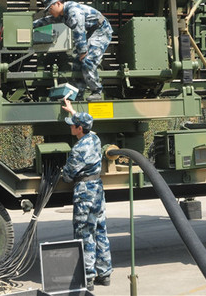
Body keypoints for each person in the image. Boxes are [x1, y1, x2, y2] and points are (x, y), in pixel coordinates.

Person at [61, 98, 112, 289]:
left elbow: (67, 176)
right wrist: (72, 111)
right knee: (100, 230)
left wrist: (63, 172)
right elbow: (87, 124)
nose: (71, 128)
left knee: (84, 233)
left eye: (73, 125)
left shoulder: (78, 150)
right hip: (98, 189)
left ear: (79, 129)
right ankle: (105, 273)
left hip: (84, 192)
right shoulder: (95, 139)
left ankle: (88, 277)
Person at [33, 0, 112, 101]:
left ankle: (97, 92)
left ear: (58, 4)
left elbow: (79, 31)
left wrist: (83, 51)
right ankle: (79, 94)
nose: (49, 12)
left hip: (101, 31)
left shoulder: (73, 11)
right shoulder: (63, 14)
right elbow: (46, 21)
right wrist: (28, 25)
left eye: (50, 8)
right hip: (91, 32)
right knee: (76, 63)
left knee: (88, 60)